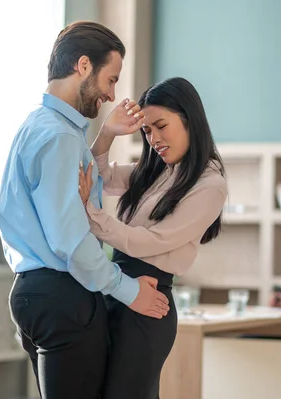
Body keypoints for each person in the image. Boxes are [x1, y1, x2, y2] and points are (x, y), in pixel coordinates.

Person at [0, 21, 170, 399]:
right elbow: (70, 239)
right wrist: (127, 290)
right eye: (111, 80)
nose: (111, 95)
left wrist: (105, 136)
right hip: (63, 297)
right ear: (84, 66)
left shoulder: (42, 126)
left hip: (35, 293)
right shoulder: (60, 136)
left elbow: (71, 198)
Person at [77, 77, 228, 398]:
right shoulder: (156, 169)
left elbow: (151, 241)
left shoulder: (209, 184)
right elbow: (98, 176)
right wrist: (106, 132)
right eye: (147, 130)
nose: (154, 138)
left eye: (161, 125)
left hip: (148, 306)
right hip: (118, 291)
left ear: (190, 120)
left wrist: (91, 212)